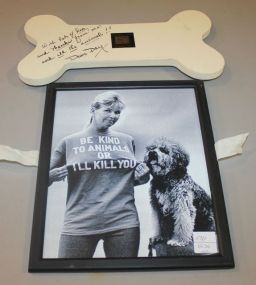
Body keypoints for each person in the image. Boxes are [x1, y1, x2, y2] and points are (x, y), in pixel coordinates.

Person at [49, 91, 149, 258]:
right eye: (107, 110)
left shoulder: (127, 140)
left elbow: (123, 179)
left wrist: (143, 178)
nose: (113, 116)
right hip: (79, 223)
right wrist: (50, 177)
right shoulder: (69, 142)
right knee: (69, 277)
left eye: (117, 112)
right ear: (93, 109)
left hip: (123, 222)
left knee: (123, 279)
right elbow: (39, 181)